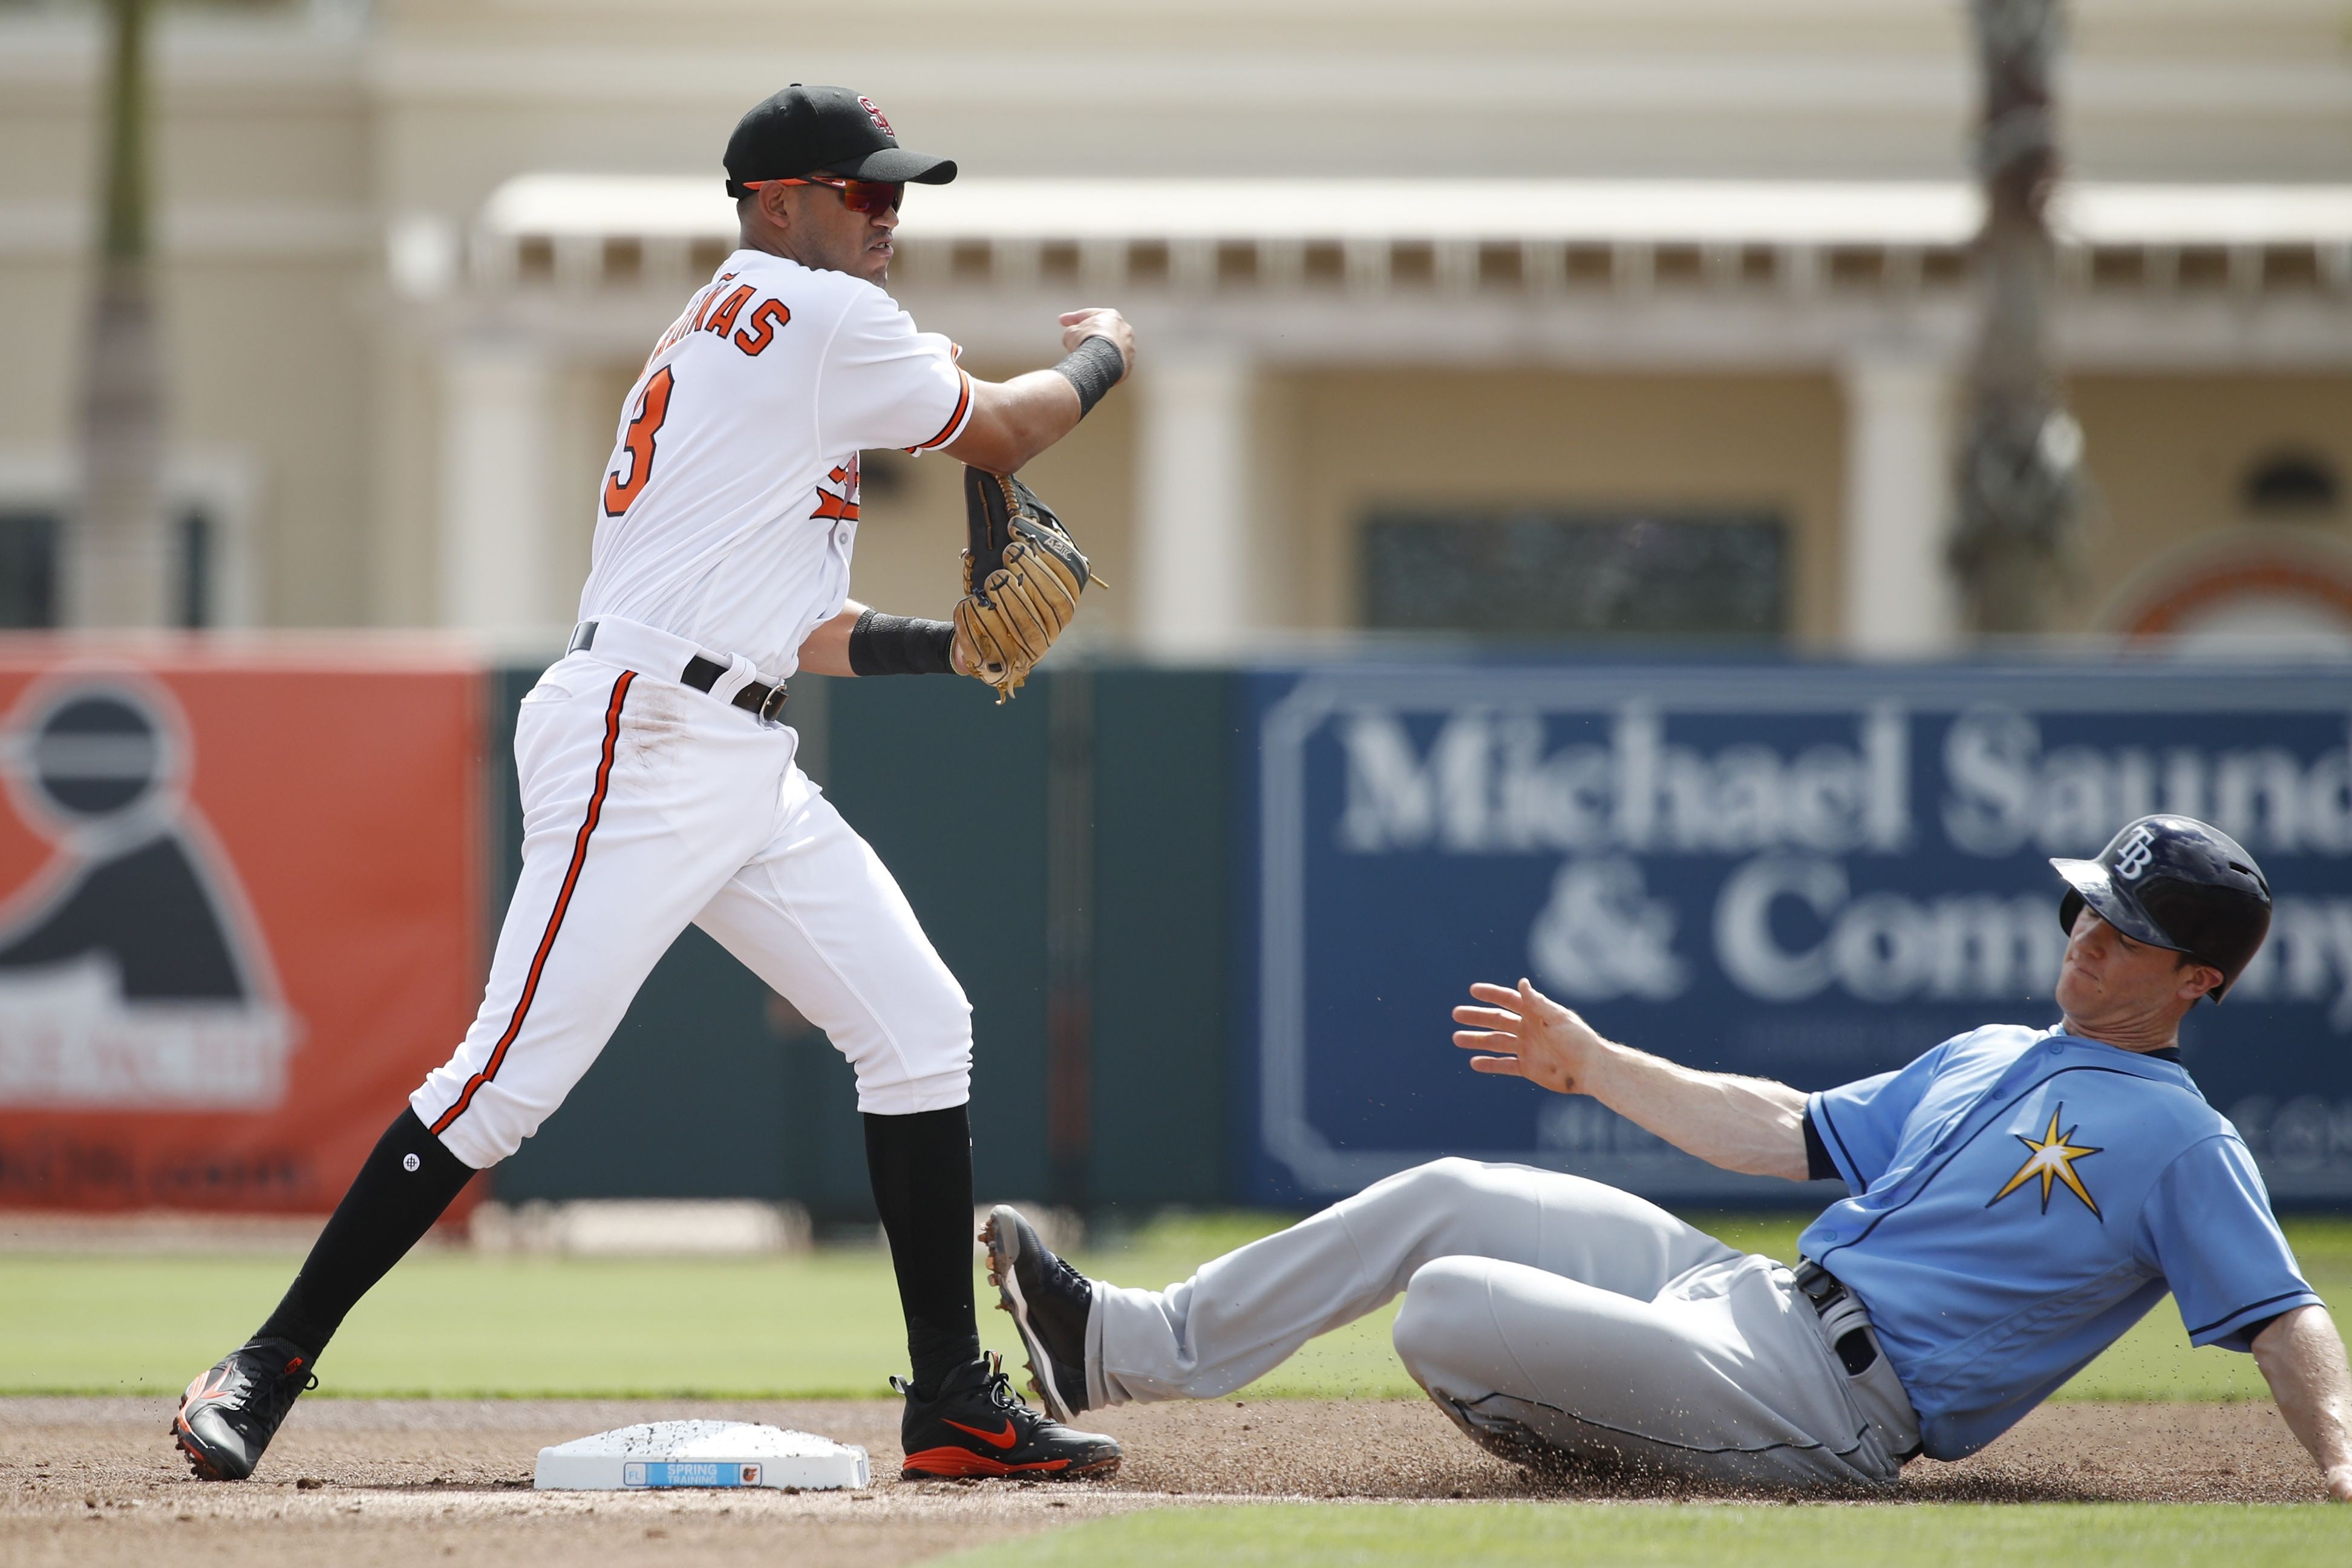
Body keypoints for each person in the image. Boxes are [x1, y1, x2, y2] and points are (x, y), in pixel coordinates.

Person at [173, 83, 1134, 1484]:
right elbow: (1007, 429)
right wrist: (1109, 354)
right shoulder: (805, 313)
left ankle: (952, 1404)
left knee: (922, 1025)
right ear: (774, 203)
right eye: (861, 190)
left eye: (896, 191)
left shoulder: (751, 335)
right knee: (504, 1079)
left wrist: (953, 650)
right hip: (644, 737)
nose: (887, 213)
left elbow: (792, 634)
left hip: (730, 736)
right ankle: (262, 1365)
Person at [985, 814, 2352, 1495]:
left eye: (2121, 928)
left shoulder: (2184, 1141)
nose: (2085, 934)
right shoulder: (1998, 1050)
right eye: (2085, 908)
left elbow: (2289, 1314)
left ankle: (1603, 1433)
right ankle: (1122, 1344)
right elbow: (1782, 1128)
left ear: (2198, 980)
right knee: (1451, 1197)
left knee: (1451, 1303)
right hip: (1748, 1296)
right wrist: (1593, 1065)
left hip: (1836, 1413)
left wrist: (2342, 1462)